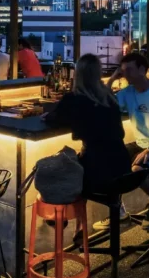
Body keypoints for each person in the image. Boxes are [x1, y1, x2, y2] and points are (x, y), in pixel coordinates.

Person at [44, 53, 132, 196]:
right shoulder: (109, 97)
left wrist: (47, 116)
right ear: (99, 72)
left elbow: (54, 118)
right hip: (123, 165)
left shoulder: (73, 99)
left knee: (59, 176)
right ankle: (116, 205)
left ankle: (65, 217)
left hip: (98, 171)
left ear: (77, 74)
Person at [101, 51, 149, 231]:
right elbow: (105, 104)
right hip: (141, 143)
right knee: (107, 162)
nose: (125, 75)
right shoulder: (128, 92)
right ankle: (120, 212)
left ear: (142, 69)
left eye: (129, 70)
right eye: (122, 71)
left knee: (137, 170)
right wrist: (111, 79)